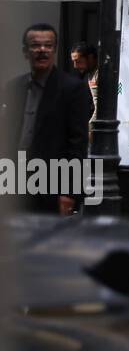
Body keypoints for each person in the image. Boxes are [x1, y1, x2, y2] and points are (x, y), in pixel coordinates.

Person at [4, 24, 92, 215]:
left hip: (49, 183)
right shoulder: (14, 88)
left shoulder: (72, 89)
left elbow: (77, 144)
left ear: (54, 50)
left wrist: (70, 193)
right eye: (35, 45)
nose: (42, 50)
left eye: (48, 45)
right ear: (25, 52)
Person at [70, 42, 99, 120]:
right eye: (74, 62)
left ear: (90, 58)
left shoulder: (99, 75)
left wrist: (89, 129)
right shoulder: (89, 75)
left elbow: (99, 108)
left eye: (78, 61)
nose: (75, 66)